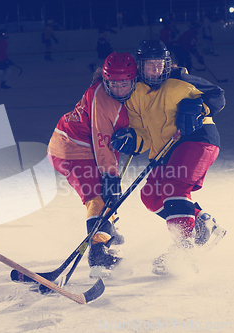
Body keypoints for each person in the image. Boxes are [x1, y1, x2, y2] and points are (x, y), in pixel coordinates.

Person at [111, 40, 226, 275]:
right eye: (148, 65)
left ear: (167, 64)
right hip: (166, 149)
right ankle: (202, 221)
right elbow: (143, 133)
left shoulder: (180, 81)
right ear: (139, 67)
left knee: (174, 187)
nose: (155, 70)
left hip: (197, 138)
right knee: (151, 197)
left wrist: (198, 107)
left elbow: (217, 97)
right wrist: (132, 140)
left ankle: (184, 248)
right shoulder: (134, 94)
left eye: (159, 65)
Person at [47, 52, 137, 278]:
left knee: (107, 194)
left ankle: (107, 231)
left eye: (124, 83)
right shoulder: (103, 100)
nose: (118, 89)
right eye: (113, 84)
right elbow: (102, 143)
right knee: (97, 196)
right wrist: (110, 177)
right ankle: (98, 256)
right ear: (105, 80)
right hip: (71, 149)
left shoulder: (126, 94)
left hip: (87, 147)